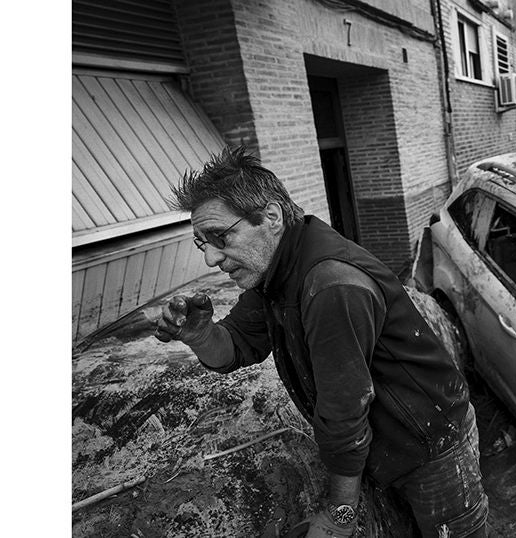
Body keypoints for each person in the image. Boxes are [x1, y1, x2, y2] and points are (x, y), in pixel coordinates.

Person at [154, 147, 488, 538]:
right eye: (201, 243)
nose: (211, 258)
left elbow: (344, 412)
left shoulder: (330, 285)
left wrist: (339, 517)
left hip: (432, 444)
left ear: (271, 217)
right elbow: (236, 345)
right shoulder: (277, 266)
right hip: (386, 441)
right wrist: (200, 335)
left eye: (220, 237)